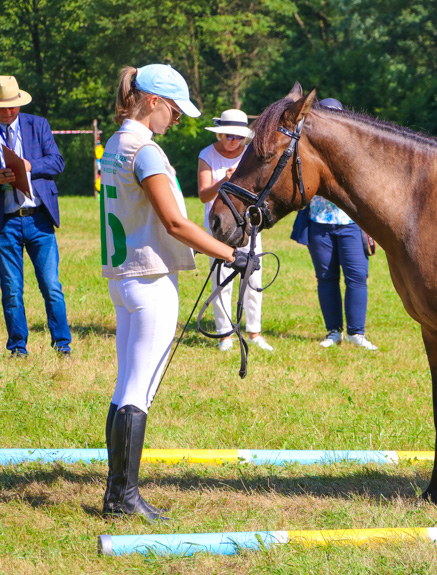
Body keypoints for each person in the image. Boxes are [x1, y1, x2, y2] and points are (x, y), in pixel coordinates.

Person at [100, 64, 259, 521]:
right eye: (173, 111)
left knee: (126, 385)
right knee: (138, 389)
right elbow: (175, 222)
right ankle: (123, 499)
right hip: (151, 280)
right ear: (152, 101)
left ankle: (118, 494)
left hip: (125, 277)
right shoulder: (145, 151)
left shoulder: (114, 143)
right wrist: (232, 256)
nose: (176, 120)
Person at [0, 76, 72, 358]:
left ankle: (62, 345)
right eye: (2, 108)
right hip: (5, 223)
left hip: (39, 219)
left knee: (51, 286)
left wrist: (29, 166)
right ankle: (18, 348)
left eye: (12, 107)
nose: (8, 113)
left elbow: (57, 162)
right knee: (11, 291)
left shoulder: (37, 125)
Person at [197, 109, 272, 352]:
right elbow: (203, 195)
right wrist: (224, 183)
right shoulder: (207, 155)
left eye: (239, 137)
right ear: (219, 134)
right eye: (229, 136)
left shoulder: (251, 156)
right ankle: (224, 336)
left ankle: (254, 332)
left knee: (253, 278)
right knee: (221, 281)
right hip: (219, 229)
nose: (234, 141)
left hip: (249, 227)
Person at [307, 98, 378, 350]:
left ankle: (356, 334)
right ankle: (333, 332)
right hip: (319, 221)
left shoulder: (354, 149)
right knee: (326, 278)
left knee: (357, 277)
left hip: (351, 222)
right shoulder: (310, 148)